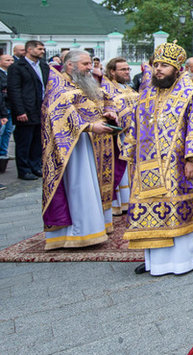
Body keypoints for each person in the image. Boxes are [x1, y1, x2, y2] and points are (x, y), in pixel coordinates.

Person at [121, 42, 193, 276]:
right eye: (156, 65)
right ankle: (155, 261)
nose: (159, 70)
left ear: (177, 69)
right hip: (146, 167)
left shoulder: (189, 95)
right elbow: (135, 126)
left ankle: (183, 261)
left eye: (165, 65)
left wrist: (192, 159)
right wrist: (130, 153)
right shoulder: (145, 95)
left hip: (177, 167)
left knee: (177, 209)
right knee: (149, 209)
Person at [41, 50, 116, 250]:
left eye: (89, 63)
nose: (89, 67)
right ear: (70, 66)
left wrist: (110, 112)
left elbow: (102, 99)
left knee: (90, 184)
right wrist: (91, 127)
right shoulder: (57, 86)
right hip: (71, 148)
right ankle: (77, 233)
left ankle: (93, 228)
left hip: (89, 142)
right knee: (79, 185)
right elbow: (61, 115)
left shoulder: (83, 83)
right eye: (85, 64)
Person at [101, 57, 139, 216]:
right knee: (121, 171)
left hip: (135, 136)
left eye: (128, 69)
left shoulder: (129, 88)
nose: (127, 72)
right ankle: (120, 203)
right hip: (119, 139)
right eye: (123, 69)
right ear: (112, 71)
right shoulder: (106, 89)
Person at [7, 40, 49, 180]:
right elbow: (14, 90)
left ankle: (35, 166)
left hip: (40, 108)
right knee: (24, 141)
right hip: (26, 109)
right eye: (39, 49)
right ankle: (24, 169)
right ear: (29, 50)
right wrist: (20, 111)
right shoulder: (18, 67)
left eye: (43, 49)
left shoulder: (43, 66)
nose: (42, 51)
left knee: (37, 140)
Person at [0, 54, 14, 173]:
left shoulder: (11, 74)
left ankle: (3, 156)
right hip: (3, 108)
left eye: (12, 60)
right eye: (7, 60)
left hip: (10, 106)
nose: (10, 62)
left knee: (7, 133)